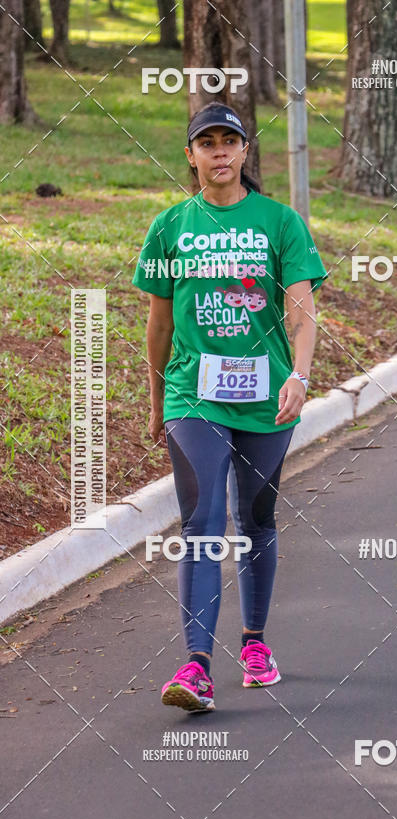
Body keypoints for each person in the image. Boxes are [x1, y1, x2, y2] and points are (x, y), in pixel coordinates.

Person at [132, 102, 327, 712]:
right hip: (195, 393)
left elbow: (301, 309)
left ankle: (254, 643)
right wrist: (160, 398)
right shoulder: (169, 227)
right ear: (190, 155)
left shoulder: (280, 222)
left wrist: (298, 374)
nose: (219, 152)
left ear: (245, 151)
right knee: (203, 518)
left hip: (268, 394)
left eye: (229, 141)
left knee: (257, 515)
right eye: (206, 143)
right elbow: (159, 326)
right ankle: (195, 667)